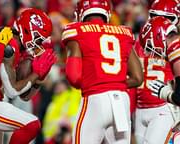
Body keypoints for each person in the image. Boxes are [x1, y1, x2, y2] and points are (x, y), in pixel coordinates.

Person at [0, 8, 56, 144]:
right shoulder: (9, 43)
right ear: (27, 30)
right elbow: (12, 91)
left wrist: (39, 78)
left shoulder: (15, 44)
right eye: (38, 38)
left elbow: (25, 96)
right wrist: (35, 74)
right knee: (32, 124)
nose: (38, 44)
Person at [61, 0, 143, 143]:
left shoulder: (77, 31)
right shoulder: (124, 33)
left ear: (81, 13)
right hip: (122, 101)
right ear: (107, 13)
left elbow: (73, 77)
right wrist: (113, 83)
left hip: (95, 99)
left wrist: (98, 82)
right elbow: (137, 78)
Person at [134, 0, 180, 143]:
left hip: (164, 107)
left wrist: (169, 95)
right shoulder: (139, 43)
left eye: (166, 17)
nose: (160, 21)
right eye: (155, 16)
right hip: (141, 107)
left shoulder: (175, 46)